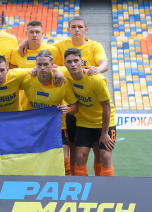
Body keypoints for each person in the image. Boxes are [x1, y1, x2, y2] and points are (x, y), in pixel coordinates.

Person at [20, 15, 109, 175]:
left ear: (85, 30)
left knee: (97, 150)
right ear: (68, 30)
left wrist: (98, 69)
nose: (76, 30)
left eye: (80, 27)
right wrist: (28, 42)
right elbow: (44, 54)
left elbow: (104, 63)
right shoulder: (60, 45)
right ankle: (72, 179)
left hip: (88, 103)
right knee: (74, 147)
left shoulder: (95, 46)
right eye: (73, 27)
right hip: (69, 101)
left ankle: (100, 184)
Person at [19, 50, 78, 175]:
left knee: (64, 159)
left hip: (57, 127)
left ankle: (66, 185)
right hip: (34, 127)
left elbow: (75, 106)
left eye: (46, 64)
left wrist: (69, 109)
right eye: (39, 64)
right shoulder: (28, 80)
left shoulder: (61, 82)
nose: (42, 68)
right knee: (33, 158)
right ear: (35, 65)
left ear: (52, 65)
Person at [63, 48, 116, 176]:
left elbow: (107, 108)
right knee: (80, 156)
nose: (73, 64)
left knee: (105, 157)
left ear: (82, 62)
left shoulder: (96, 80)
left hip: (104, 122)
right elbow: (49, 66)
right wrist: (57, 72)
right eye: (69, 62)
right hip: (84, 122)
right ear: (65, 64)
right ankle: (82, 192)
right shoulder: (65, 73)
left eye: (76, 61)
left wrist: (104, 134)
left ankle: (105, 189)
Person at [10, 20, 62, 110]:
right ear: (26, 33)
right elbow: (12, 74)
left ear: (42, 33)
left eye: (37, 32)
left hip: (47, 102)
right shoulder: (16, 52)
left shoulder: (53, 51)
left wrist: (55, 69)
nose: (34, 35)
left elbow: (62, 69)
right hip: (24, 103)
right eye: (31, 32)